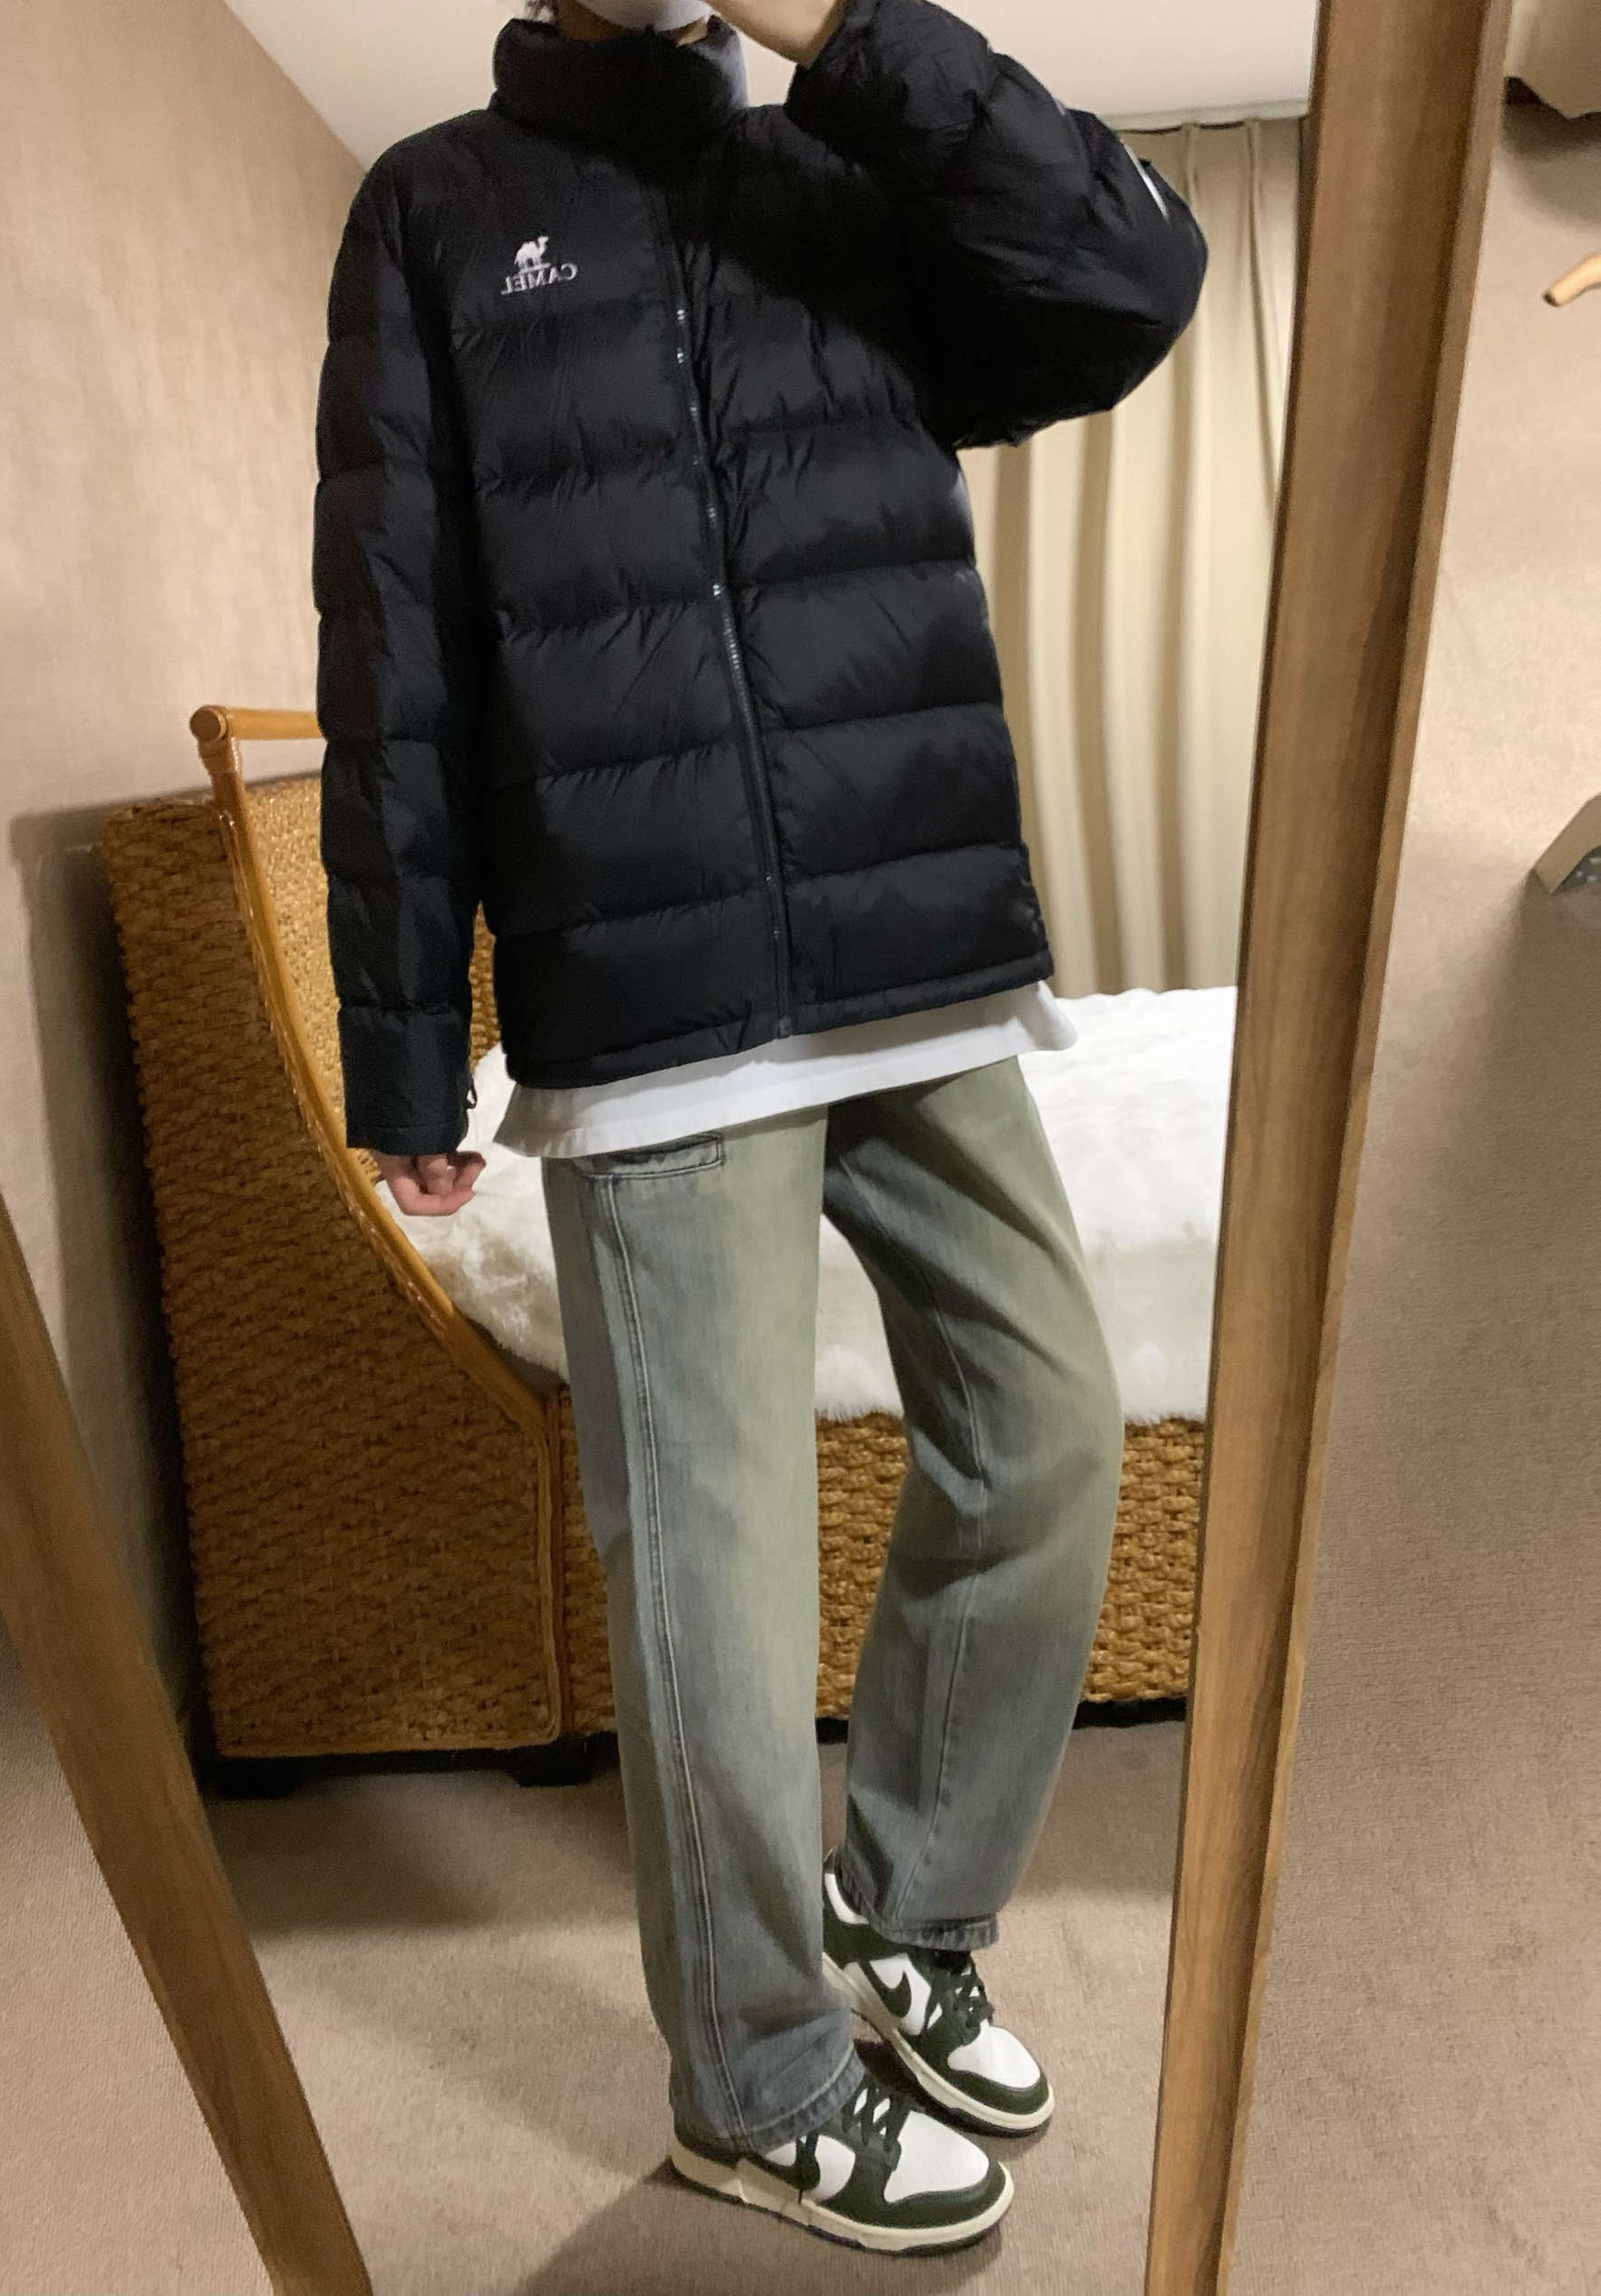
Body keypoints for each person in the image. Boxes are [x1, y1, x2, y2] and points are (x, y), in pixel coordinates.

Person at [315, 0, 1203, 2255]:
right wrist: (407, 1047)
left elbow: (1128, 280)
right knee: (711, 1567)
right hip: (654, 1004)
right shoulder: (436, 209)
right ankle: (756, 2076)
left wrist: (856, 32)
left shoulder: (849, 170)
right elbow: (396, 649)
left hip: (917, 951)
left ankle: (907, 1906)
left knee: (1050, 1427)